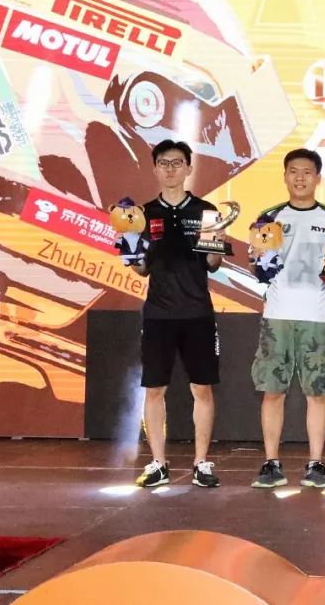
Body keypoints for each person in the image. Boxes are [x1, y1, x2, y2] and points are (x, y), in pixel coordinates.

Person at [249, 149, 325, 490]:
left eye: (307, 172)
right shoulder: (269, 216)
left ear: (318, 178)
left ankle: (316, 463)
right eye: (293, 171)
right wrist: (259, 260)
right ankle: (271, 463)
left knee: (317, 392)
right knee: (272, 391)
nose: (300, 178)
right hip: (277, 315)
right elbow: (258, 267)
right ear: (284, 176)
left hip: (317, 316)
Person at [131, 140, 223, 489]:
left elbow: (213, 264)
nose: (170, 169)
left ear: (188, 168)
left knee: (202, 388)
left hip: (198, 312)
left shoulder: (207, 211)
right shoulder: (142, 214)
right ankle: (158, 462)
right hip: (158, 314)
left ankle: (201, 462)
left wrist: (216, 241)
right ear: (155, 168)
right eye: (164, 163)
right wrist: (129, 249)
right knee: (154, 389)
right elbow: (141, 269)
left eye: (177, 163)